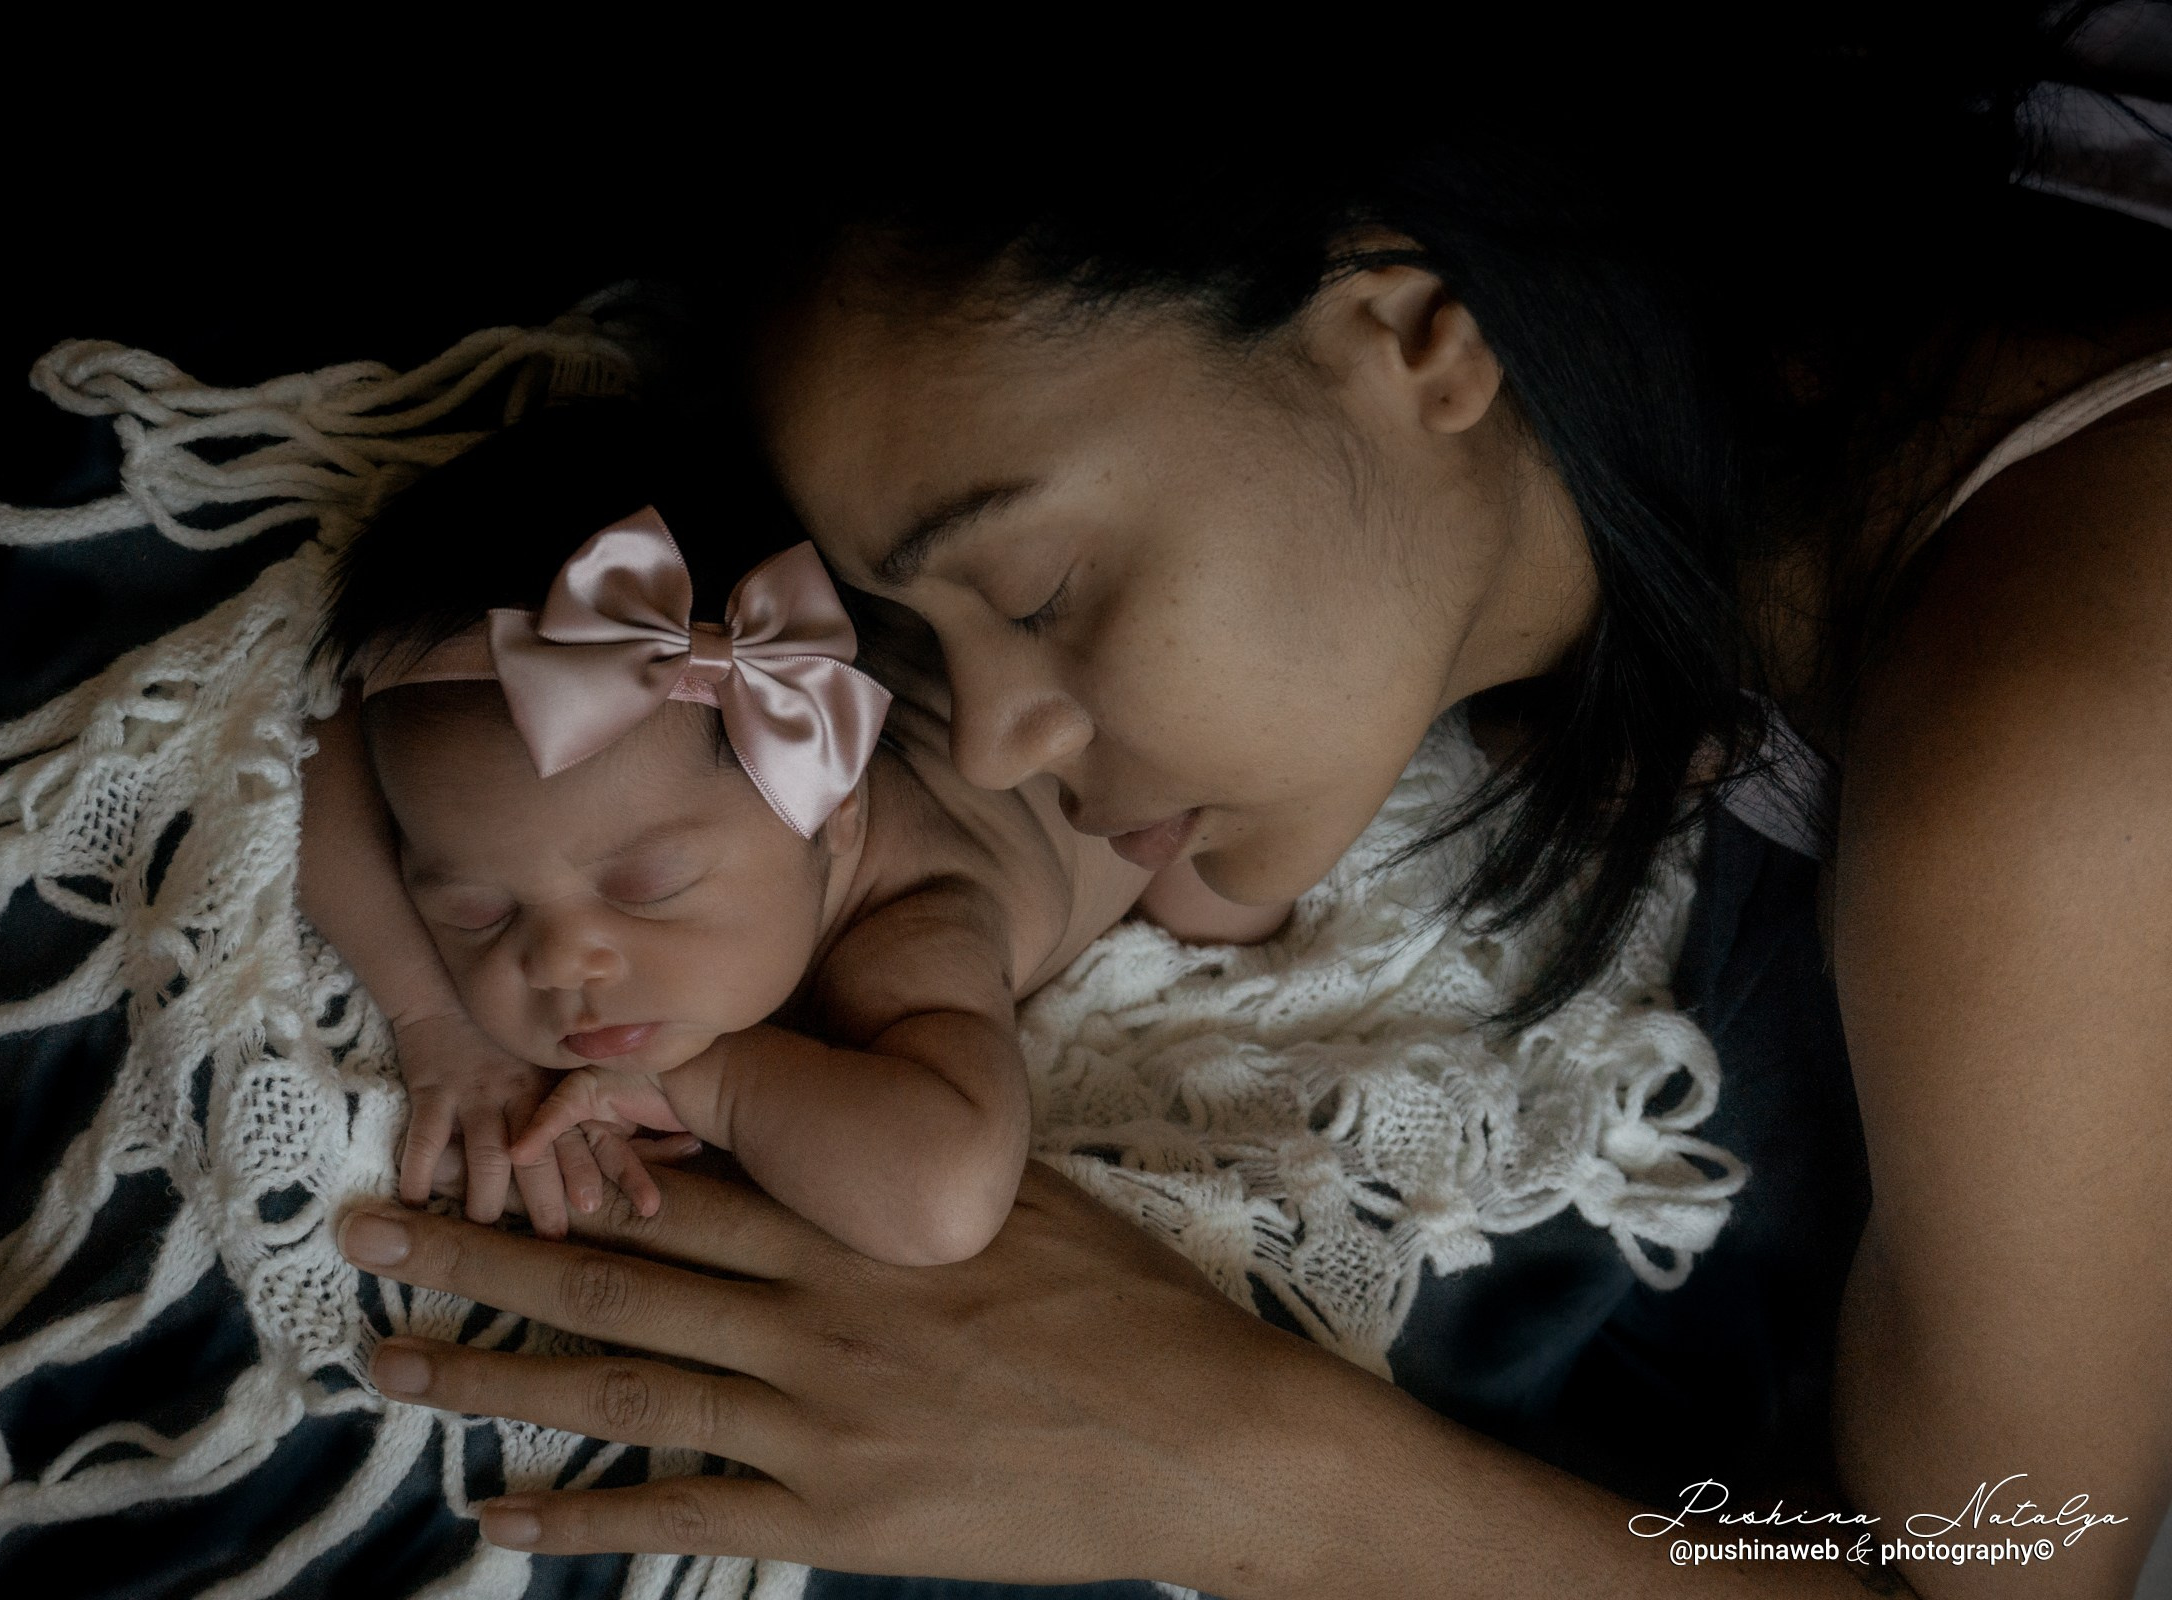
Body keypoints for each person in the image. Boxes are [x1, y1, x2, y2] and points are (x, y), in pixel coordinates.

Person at [335, 18, 2171, 1597]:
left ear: (1412, 335)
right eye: (918, 641)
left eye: (1042, 593)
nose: (983, 752)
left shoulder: (2051, 770)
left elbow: (2004, 1566)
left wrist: (1217, 1456)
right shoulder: (1732, 435)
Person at [301, 401, 1283, 1262]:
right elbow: (324, 745)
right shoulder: (660, 803)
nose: (558, 958)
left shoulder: (913, 931)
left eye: (646, 886)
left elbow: (943, 1197)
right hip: (869, 665)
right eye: (473, 911)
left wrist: (704, 1081)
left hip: (1139, 789)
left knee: (1216, 895)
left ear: (833, 806)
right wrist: (435, 1026)